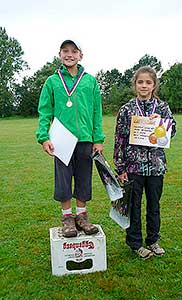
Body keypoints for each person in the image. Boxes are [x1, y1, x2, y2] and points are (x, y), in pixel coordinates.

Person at [36, 39, 105, 237]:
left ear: (80, 55)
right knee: (64, 180)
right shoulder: (52, 81)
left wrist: (98, 139)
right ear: (59, 54)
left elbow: (96, 112)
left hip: (85, 139)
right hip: (61, 139)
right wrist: (44, 137)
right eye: (65, 51)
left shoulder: (90, 81)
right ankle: (67, 218)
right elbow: (45, 111)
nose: (69, 54)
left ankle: (82, 217)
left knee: (84, 179)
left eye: (74, 51)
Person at [113, 66, 176, 259]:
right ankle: (135, 243)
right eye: (140, 82)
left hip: (156, 166)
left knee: (154, 205)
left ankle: (153, 241)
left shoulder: (162, 107)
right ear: (135, 84)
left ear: (154, 85)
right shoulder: (127, 109)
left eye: (148, 82)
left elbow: (171, 131)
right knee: (133, 206)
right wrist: (120, 167)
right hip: (133, 166)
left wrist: (162, 122)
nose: (144, 85)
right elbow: (120, 139)